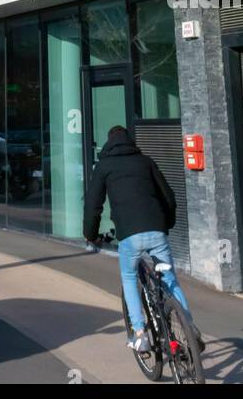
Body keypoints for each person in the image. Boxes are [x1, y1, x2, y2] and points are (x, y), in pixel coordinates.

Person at [83, 125, 200, 354]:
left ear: (108, 144)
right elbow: (168, 195)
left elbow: (92, 206)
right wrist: (167, 223)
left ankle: (139, 334)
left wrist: (91, 235)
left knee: (129, 278)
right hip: (157, 231)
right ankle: (191, 329)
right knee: (169, 278)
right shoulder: (145, 162)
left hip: (129, 235)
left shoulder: (104, 166)